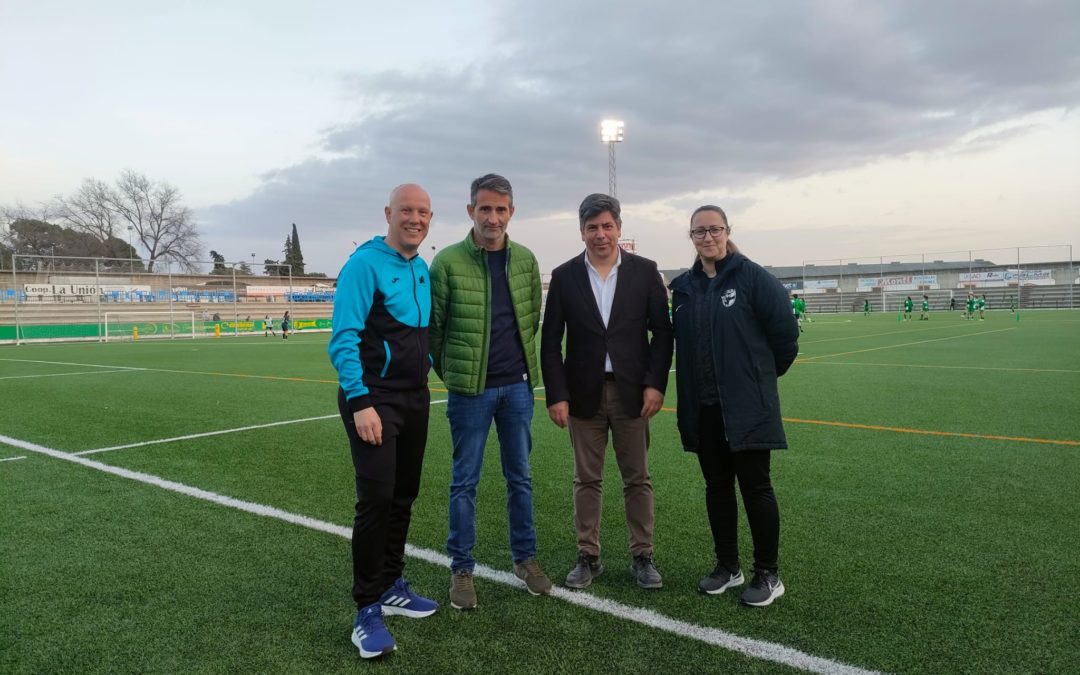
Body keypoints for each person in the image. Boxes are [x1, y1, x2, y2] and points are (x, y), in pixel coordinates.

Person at [429, 173, 551, 610]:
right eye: (485, 209)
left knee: (521, 478)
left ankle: (525, 559)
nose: (493, 217)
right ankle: (462, 569)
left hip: (517, 389)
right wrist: (457, 378)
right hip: (470, 393)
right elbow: (434, 334)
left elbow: (530, 318)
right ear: (471, 211)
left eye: (501, 210)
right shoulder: (445, 263)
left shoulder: (526, 260)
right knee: (465, 482)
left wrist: (517, 373)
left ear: (511, 213)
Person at [541, 193, 674, 591]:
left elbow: (662, 333)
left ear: (619, 227)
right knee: (587, 479)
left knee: (638, 478)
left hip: (633, 393)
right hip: (583, 394)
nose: (600, 234)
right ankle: (588, 555)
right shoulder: (564, 276)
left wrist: (655, 383)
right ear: (581, 231)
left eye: (607, 226)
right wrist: (556, 394)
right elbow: (551, 342)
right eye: (592, 227)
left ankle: (642, 555)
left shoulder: (645, 271)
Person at [668, 205, 798, 607]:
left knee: (756, 489)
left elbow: (786, 339)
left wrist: (756, 381)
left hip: (746, 409)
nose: (707, 238)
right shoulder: (684, 288)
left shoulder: (753, 278)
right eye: (699, 232)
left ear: (727, 231)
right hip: (704, 409)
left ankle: (768, 573)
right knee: (717, 488)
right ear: (690, 237)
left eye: (714, 230)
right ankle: (728, 566)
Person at [328, 183, 438, 659]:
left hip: (414, 398)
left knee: (403, 495)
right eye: (407, 211)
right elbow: (343, 338)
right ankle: (367, 608)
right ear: (389, 214)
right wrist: (359, 400)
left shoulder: (421, 268)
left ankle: (393, 582)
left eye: (424, 212)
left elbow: (420, 335)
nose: (415, 219)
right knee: (375, 498)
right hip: (373, 399)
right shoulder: (363, 265)